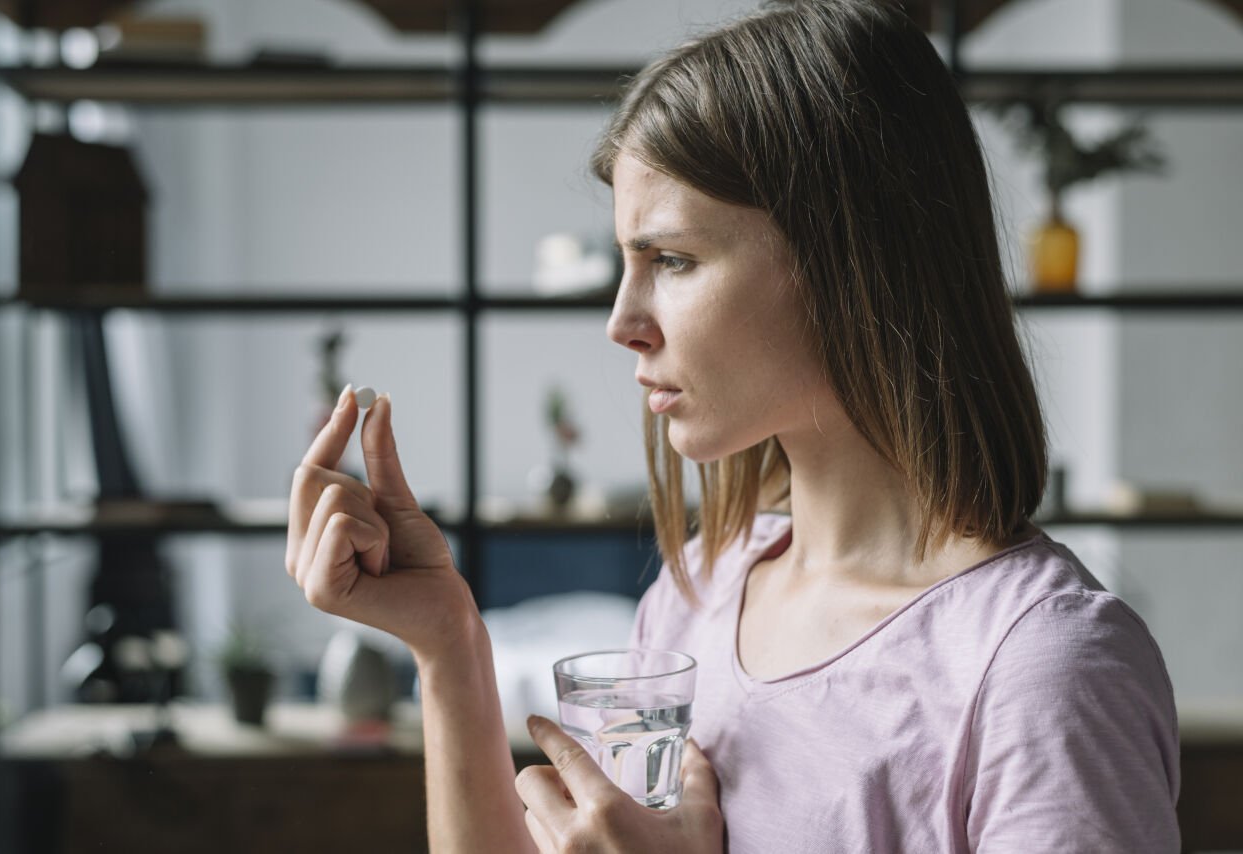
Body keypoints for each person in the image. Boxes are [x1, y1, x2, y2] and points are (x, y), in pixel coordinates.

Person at [285, 0, 1181, 850]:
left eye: (672, 259)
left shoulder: (1044, 667)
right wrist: (447, 641)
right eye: (626, 262)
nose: (622, 322)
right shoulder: (697, 598)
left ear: (849, 260)